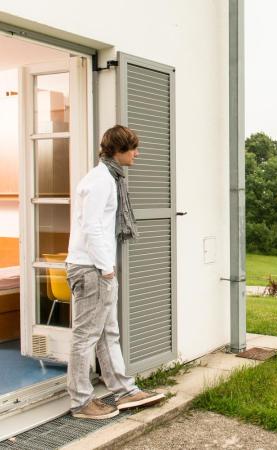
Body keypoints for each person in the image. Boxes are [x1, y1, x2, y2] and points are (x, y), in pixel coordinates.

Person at [65, 125, 164, 419]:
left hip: (98, 268)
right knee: (86, 336)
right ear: (118, 151)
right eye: (133, 148)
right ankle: (81, 402)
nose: (137, 153)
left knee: (109, 332)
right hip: (91, 269)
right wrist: (106, 268)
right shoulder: (100, 182)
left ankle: (124, 391)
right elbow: (91, 226)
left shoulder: (110, 178)